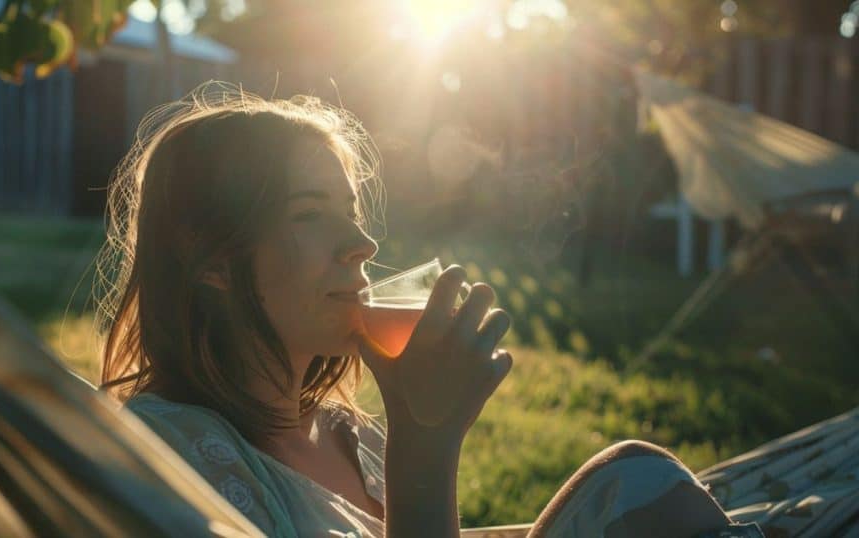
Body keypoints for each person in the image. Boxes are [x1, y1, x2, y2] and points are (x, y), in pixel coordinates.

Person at [95, 84, 764, 538]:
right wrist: (427, 445)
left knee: (642, 482)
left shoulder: (351, 437)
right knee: (640, 483)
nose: (363, 244)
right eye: (309, 214)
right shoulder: (172, 456)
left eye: (352, 213)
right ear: (210, 259)